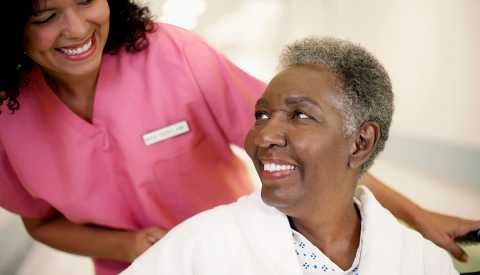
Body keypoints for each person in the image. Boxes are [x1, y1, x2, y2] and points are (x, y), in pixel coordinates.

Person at [0, 1, 477, 275]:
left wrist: (418, 216)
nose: (77, 28)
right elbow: (39, 224)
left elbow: (321, 154)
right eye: (44, 16)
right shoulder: (8, 120)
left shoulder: (171, 56)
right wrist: (128, 247)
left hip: (245, 258)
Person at [121, 37, 459, 275]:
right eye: (262, 115)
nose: (264, 136)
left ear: (360, 143)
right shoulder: (199, 247)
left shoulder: (423, 263)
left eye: (300, 116)